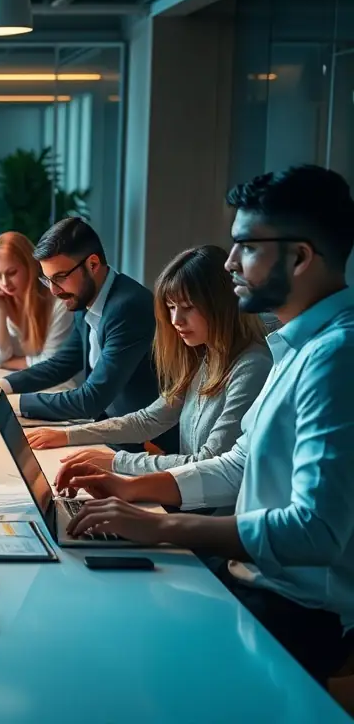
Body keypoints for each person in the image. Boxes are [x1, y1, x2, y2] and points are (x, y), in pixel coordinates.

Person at [57, 166, 354, 685]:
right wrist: (131, 485)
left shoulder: (335, 357)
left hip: (298, 611)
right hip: (258, 583)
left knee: (107, 650)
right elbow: (239, 463)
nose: (232, 261)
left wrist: (160, 524)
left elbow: (315, 533)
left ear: (301, 256)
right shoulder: (294, 346)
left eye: (246, 246)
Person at [27, 245, 271, 481]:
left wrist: (113, 461)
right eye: (171, 307)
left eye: (187, 308)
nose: (176, 320)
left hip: (214, 515)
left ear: (221, 306)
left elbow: (209, 462)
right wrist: (67, 436)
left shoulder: (252, 367)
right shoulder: (205, 355)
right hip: (188, 499)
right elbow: (149, 419)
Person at [0, 218, 175, 452]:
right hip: (109, 433)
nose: (54, 291)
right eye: (47, 279)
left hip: (149, 444)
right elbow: (61, 364)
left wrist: (9, 403)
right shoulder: (85, 296)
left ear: (93, 264)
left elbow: (91, 399)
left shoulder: (127, 307)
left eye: (59, 277)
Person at [0, 232, 76, 376]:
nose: (5, 283)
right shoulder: (3, 296)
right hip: (29, 381)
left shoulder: (59, 302)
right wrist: (0, 309)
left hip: (61, 387)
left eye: (11, 273)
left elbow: (49, 363)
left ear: (30, 266)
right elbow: (0, 357)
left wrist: (4, 364)